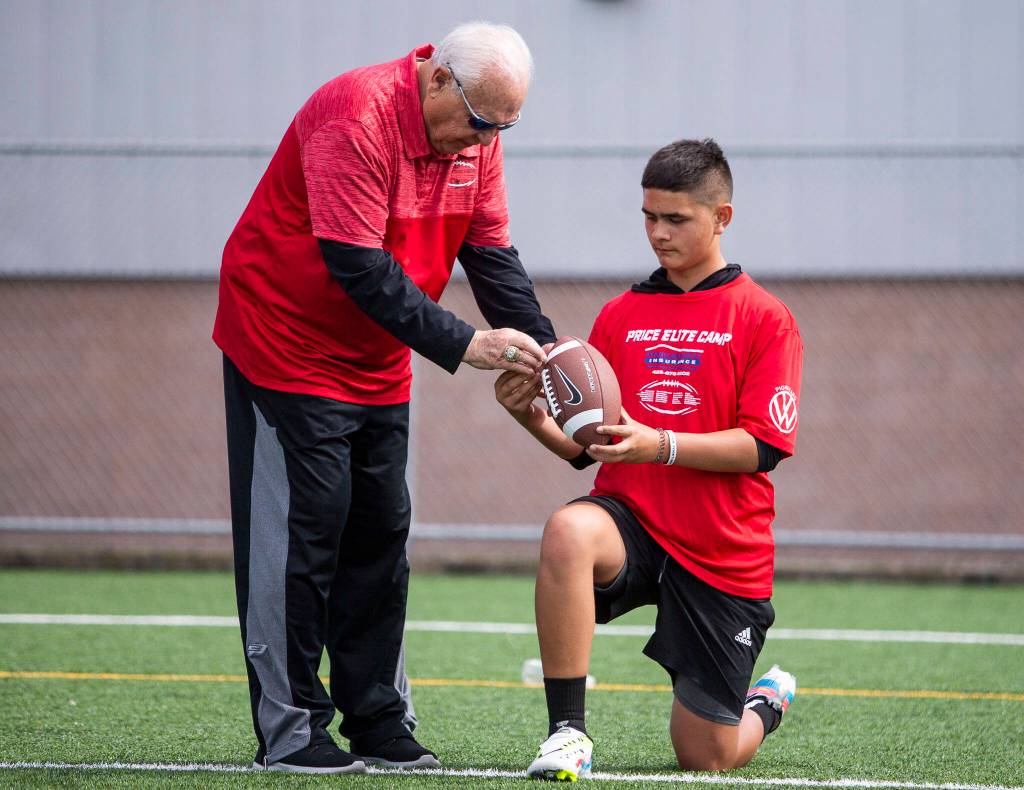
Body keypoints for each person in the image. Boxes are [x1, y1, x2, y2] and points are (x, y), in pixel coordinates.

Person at [213, 22, 555, 775]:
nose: (484, 140)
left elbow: (493, 258)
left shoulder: (476, 136)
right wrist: (468, 345)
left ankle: (375, 717)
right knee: (307, 529)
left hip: (375, 352)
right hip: (285, 343)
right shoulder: (354, 114)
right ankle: (292, 726)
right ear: (436, 79)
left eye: (502, 127)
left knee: (381, 527)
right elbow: (357, 265)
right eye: (478, 120)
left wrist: (554, 358)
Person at [495, 139, 802, 780]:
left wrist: (658, 443)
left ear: (722, 218)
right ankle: (566, 735)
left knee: (705, 758)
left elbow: (762, 447)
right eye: (648, 217)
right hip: (633, 518)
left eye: (675, 219)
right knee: (568, 529)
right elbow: (590, 449)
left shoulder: (765, 318)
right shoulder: (622, 314)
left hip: (721, 547)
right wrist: (531, 416)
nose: (657, 234)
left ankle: (766, 703)